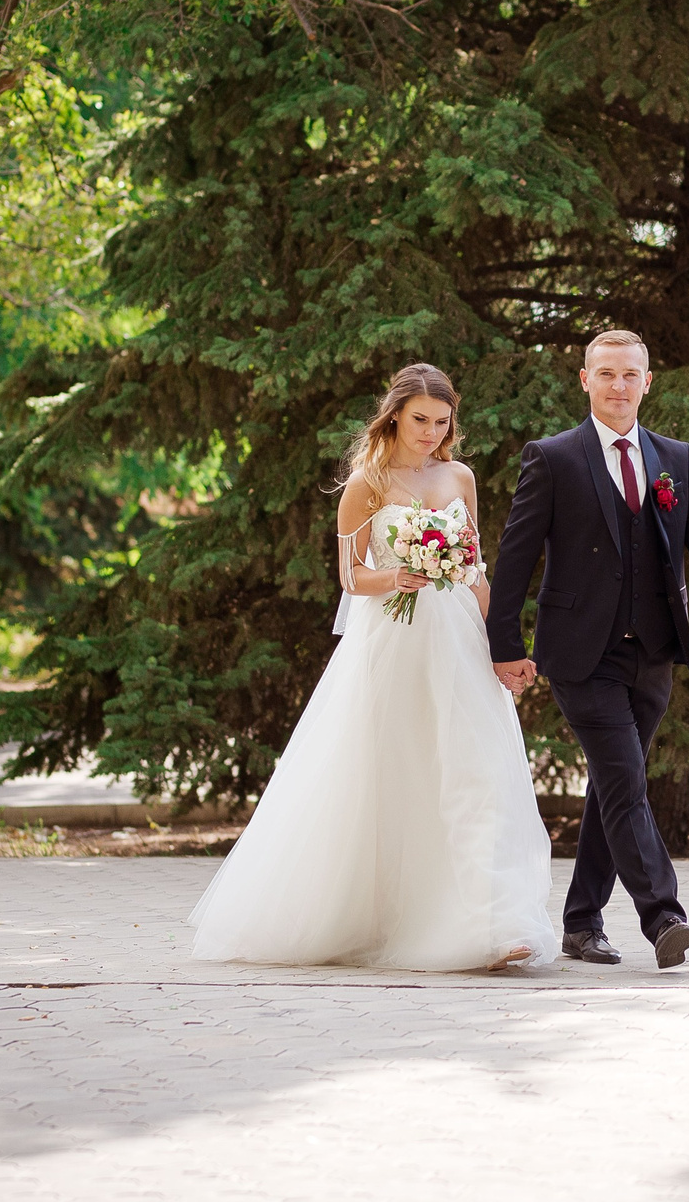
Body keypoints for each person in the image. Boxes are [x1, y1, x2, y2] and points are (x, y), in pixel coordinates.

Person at [188, 364, 555, 973]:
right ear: (394, 417)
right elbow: (350, 576)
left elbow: (476, 569)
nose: (431, 433)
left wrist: (504, 648)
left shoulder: (460, 477)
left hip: (459, 637)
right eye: (420, 420)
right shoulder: (367, 483)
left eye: (442, 422)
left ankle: (493, 925)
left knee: (476, 772)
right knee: (397, 773)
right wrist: (398, 575)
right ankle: (388, 917)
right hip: (397, 639)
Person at [485, 329, 689, 969]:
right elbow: (516, 559)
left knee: (615, 787)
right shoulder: (552, 458)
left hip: (654, 652)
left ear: (648, 382)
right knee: (623, 780)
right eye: (606, 373)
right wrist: (505, 645)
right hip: (580, 653)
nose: (619, 385)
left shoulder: (674, 457)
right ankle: (663, 915)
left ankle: (581, 923)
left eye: (630, 375)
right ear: (585, 380)